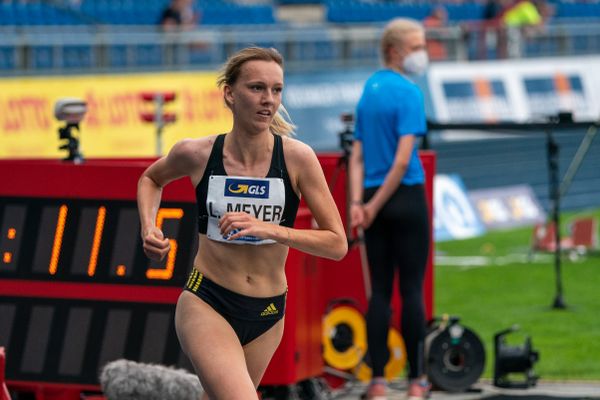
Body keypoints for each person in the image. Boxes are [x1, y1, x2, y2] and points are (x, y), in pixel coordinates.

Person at [137, 46, 347, 399]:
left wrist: (269, 229)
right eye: (257, 88)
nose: (269, 100)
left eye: (276, 90)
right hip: (209, 302)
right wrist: (149, 227)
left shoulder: (297, 158)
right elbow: (150, 179)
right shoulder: (197, 153)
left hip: (267, 312)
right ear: (230, 94)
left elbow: (337, 243)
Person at [348, 18, 431, 400]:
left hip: (371, 201)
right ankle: (417, 381)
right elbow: (402, 161)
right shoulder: (410, 93)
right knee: (411, 291)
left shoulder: (369, 91)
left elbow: (357, 156)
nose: (423, 52)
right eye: (417, 45)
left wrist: (359, 204)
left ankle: (377, 381)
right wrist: (377, 203)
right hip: (406, 197)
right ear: (395, 50)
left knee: (379, 293)